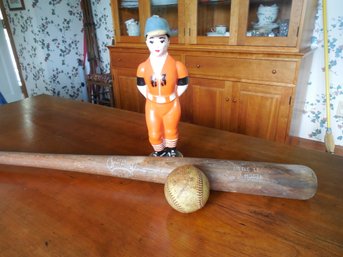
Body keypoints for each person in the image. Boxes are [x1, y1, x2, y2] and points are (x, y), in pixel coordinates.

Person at [136, 15, 189, 157]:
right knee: (154, 132)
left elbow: (183, 83)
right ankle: (159, 152)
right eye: (152, 41)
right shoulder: (142, 67)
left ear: (168, 41)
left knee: (171, 130)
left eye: (161, 40)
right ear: (146, 42)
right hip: (152, 105)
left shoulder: (178, 66)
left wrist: (173, 95)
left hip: (171, 104)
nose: (157, 46)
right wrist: (151, 97)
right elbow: (141, 85)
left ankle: (171, 151)